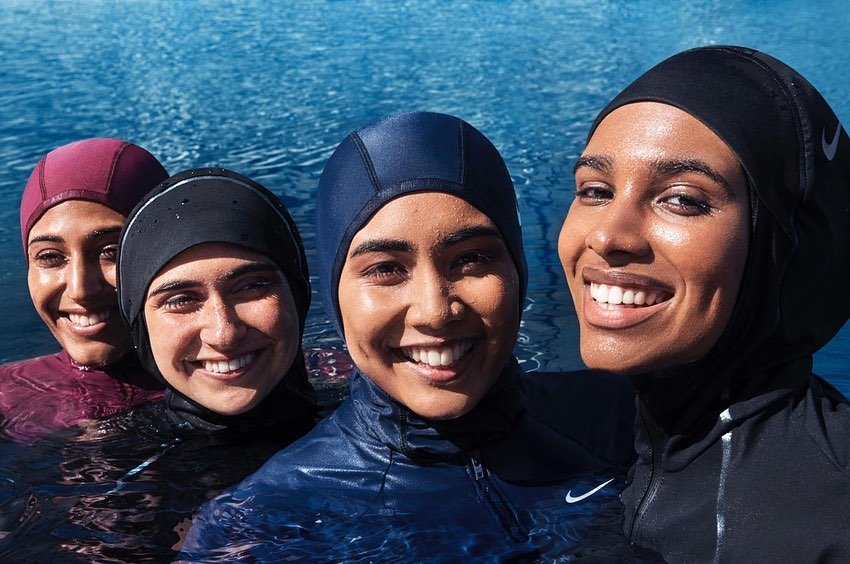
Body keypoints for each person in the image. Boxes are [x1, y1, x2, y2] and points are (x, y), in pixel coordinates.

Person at [181, 112, 647, 561]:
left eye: (472, 259)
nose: (435, 311)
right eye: (385, 268)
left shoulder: (630, 418)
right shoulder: (263, 521)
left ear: (517, 270)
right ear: (333, 296)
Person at [558, 46, 850, 561]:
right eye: (596, 190)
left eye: (683, 199)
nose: (607, 235)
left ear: (786, 250)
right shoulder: (587, 425)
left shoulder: (823, 524)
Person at [15, 167, 321, 560]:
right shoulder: (102, 466)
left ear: (299, 291)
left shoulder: (372, 407)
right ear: (140, 320)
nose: (222, 333)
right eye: (180, 299)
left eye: (252, 286)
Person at [0, 138, 167, 444]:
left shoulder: (235, 386)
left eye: (111, 252)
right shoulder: (5, 397)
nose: (81, 290)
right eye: (50, 256)